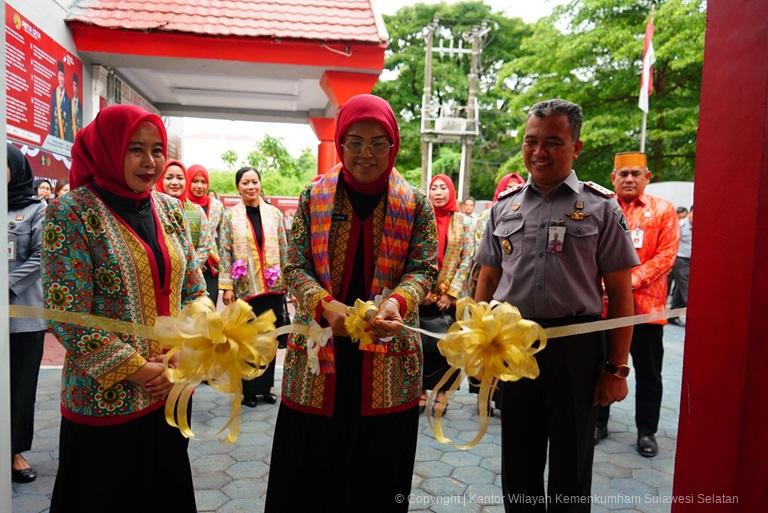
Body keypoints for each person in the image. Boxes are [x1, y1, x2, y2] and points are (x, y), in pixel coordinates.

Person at [265, 94, 438, 512]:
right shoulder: (314, 197)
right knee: (310, 475)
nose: (366, 153)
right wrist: (323, 304)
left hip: (388, 355)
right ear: (340, 144)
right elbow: (294, 267)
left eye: (379, 142)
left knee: (378, 476)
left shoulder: (414, 203)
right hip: (319, 355)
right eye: (355, 141)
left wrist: (398, 300)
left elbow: (425, 267)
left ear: (393, 146)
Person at [474, 99, 638, 512]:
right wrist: (478, 344)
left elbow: (620, 294)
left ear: (576, 147)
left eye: (553, 142)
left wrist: (616, 369)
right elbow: (488, 280)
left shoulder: (601, 208)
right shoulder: (504, 207)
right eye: (531, 141)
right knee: (518, 460)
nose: (538, 152)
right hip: (515, 347)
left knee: (572, 463)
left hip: (576, 351)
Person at [41, 104, 205, 512]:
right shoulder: (72, 212)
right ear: (109, 149)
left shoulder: (170, 210)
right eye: (135, 149)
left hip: (170, 392)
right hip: (104, 399)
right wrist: (143, 370)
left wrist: (184, 354)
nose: (149, 162)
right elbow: (67, 314)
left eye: (156, 150)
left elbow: (195, 290)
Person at [595, 152, 679, 458]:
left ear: (648, 176)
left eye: (635, 174)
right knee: (602, 367)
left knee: (648, 373)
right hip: (605, 310)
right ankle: (598, 423)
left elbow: (667, 255)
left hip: (647, 310)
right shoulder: (601, 209)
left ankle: (647, 431)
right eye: (623, 174)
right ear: (613, 178)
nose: (629, 179)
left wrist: (628, 282)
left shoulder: (663, 210)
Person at [219, 166, 288, 407]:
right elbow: (225, 251)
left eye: (254, 182)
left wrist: (288, 281)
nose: (250, 187)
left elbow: (283, 247)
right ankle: (248, 390)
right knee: (247, 340)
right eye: (245, 183)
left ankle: (266, 388)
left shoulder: (274, 214)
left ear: (260, 184)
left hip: (272, 288)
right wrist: (226, 286)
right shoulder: (230, 216)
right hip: (246, 288)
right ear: (238, 187)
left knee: (268, 339)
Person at [7, 144, 47, 483]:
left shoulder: (36, 210)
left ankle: (14, 452)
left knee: (20, 387)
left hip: (22, 316)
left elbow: (40, 257)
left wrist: (6, 284)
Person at [419, 174, 475, 414]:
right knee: (420, 344)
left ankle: (442, 393)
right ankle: (420, 391)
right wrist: (421, 290)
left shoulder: (463, 222)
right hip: (422, 294)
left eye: (443, 188)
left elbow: (468, 258)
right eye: (434, 188)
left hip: (448, 298)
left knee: (447, 347)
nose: (438, 192)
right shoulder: (421, 218)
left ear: (451, 192)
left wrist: (450, 294)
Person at [155, 159, 214, 275]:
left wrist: (187, 269)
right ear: (161, 180)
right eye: (169, 177)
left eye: (180, 178)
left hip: (191, 276)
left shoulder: (197, 211)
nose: (175, 182)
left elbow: (205, 245)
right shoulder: (151, 208)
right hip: (160, 275)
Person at [186, 164, 226, 304]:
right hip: (189, 265)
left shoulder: (217, 206)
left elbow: (224, 236)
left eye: (203, 182)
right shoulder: (181, 203)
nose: (199, 185)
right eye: (195, 181)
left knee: (209, 309)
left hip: (212, 267)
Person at [669, 205, 692, 325]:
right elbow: (672, 241)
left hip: (691, 260)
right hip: (680, 260)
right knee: (688, 288)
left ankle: (672, 315)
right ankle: (694, 316)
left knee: (678, 289)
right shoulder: (681, 225)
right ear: (690, 213)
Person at [49, 61, 71, 141]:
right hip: (54, 136)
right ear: (57, 76)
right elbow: (51, 116)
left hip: (63, 139)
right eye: (60, 76)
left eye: (63, 76)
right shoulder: (54, 94)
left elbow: (68, 123)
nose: (61, 79)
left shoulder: (68, 99)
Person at [69, 74, 83, 139]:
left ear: (78, 88)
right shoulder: (69, 103)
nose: (75, 88)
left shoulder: (81, 107)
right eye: (73, 85)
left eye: (76, 86)